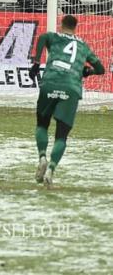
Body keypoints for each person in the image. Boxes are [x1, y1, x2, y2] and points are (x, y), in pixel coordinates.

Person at [30, 14, 104, 188]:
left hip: (50, 83)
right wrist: (87, 72)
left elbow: (42, 37)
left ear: (61, 24)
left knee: (42, 125)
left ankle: (42, 157)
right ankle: (51, 169)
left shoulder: (53, 36)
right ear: (75, 27)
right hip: (71, 88)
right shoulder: (83, 46)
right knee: (61, 136)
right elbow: (100, 68)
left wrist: (35, 62)